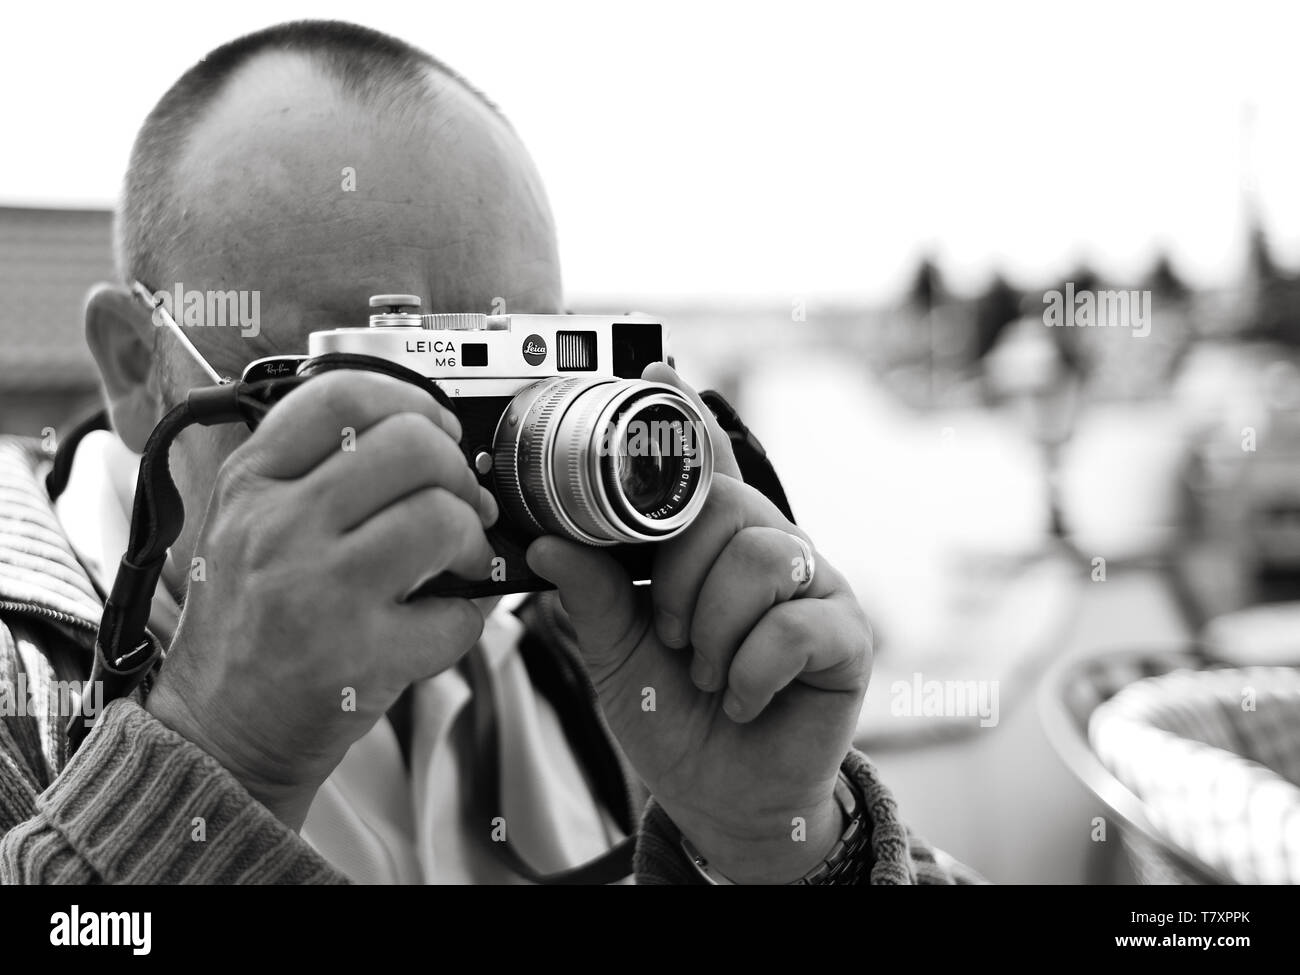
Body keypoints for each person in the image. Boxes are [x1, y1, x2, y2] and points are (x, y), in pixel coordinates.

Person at [0, 20, 976, 884]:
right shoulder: (22, 695)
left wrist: (779, 844)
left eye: (517, 383)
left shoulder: (612, 660)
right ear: (139, 371)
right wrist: (220, 757)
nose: (460, 467)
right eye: (363, 384)